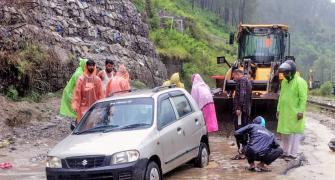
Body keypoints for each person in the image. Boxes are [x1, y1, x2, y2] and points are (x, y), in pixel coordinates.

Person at [277, 60, 308, 159]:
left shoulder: (300, 82)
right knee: (284, 133)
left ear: (292, 71)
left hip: (295, 113)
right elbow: (281, 97)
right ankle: (285, 152)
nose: (285, 75)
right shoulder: (284, 82)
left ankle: (293, 154)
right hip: (285, 112)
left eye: (287, 72)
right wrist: (278, 109)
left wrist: (300, 111)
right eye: (284, 73)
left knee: (295, 134)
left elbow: (303, 98)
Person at [232, 69, 252, 160]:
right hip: (246, 110)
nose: (233, 78)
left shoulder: (242, 81)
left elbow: (242, 95)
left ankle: (242, 152)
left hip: (241, 112)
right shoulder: (247, 80)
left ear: (238, 74)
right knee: (244, 129)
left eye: (234, 76)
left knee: (239, 130)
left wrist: (238, 108)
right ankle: (244, 151)